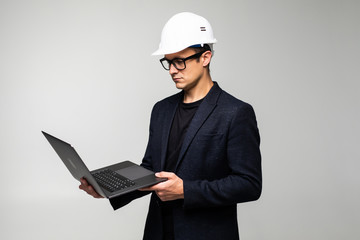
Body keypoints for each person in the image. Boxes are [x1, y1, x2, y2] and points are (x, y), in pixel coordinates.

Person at [79, 12, 262, 240]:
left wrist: (186, 190)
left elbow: (249, 184)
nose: (173, 70)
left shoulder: (236, 112)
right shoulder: (161, 110)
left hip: (205, 233)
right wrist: (109, 189)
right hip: (158, 231)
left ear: (205, 57)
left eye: (180, 61)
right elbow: (150, 170)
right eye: (168, 62)